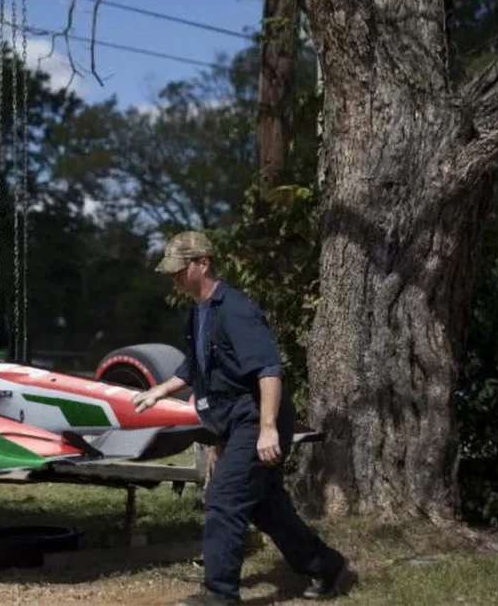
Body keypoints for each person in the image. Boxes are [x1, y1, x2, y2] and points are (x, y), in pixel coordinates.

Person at [132, 230, 350, 605]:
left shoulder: (236, 310)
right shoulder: (198, 312)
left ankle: (220, 595)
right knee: (265, 506)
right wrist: (159, 391)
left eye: (179, 269)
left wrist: (268, 431)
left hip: (257, 418)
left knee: (223, 499)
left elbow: (268, 370)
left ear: (203, 264)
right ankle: (325, 565)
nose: (173, 277)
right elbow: (195, 367)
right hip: (234, 421)